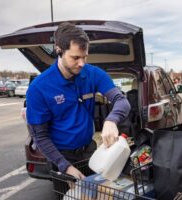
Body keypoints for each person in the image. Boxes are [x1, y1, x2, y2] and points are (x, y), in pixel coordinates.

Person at [26, 22, 131, 180]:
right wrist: (65, 166)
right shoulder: (39, 88)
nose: (82, 63)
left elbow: (122, 101)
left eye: (85, 57)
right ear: (59, 51)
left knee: (96, 199)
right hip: (61, 156)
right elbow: (40, 136)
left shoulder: (93, 74)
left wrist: (111, 120)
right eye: (75, 57)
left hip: (90, 151)